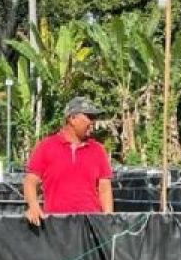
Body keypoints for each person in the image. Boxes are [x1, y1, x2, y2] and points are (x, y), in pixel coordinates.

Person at [24, 96, 114, 227]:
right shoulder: (46, 147)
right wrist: (33, 206)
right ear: (72, 119)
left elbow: (104, 189)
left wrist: (108, 222)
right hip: (56, 226)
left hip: (90, 226)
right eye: (89, 117)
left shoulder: (98, 150)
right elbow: (30, 181)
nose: (93, 122)